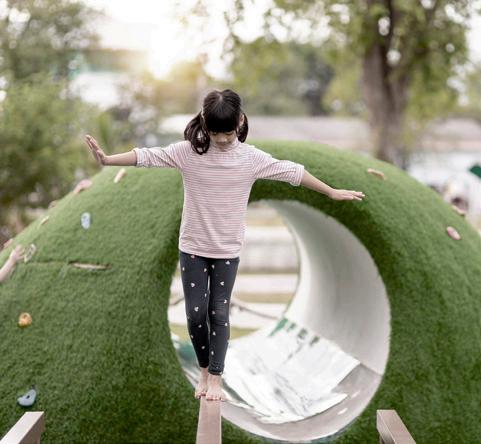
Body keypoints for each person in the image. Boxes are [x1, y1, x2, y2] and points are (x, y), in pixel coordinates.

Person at [83, 88, 365, 402]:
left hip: (227, 251)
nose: (222, 140)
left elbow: (293, 172)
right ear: (205, 124)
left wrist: (331, 192)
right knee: (195, 314)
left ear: (240, 122)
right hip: (193, 247)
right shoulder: (188, 153)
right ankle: (204, 369)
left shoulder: (251, 158)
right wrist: (108, 160)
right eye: (216, 133)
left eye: (228, 134)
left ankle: (215, 377)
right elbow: (148, 156)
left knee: (218, 312)